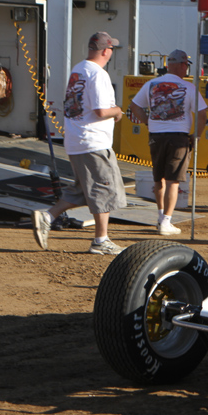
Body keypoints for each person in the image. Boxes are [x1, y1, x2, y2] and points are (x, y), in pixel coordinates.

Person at [31, 32, 127, 254]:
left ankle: (47, 217)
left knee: (82, 191)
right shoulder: (98, 74)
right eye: (111, 49)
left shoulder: (78, 69)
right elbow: (101, 110)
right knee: (104, 188)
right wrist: (118, 111)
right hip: (93, 141)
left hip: (76, 139)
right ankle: (101, 240)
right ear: (106, 51)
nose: (112, 53)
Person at [130, 49, 207, 235]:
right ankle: (166, 221)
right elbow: (203, 115)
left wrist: (148, 122)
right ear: (181, 65)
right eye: (185, 65)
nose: (186, 69)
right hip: (178, 137)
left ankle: (160, 217)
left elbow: (134, 106)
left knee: (159, 179)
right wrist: (196, 136)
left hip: (156, 136)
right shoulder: (189, 87)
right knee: (173, 180)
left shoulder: (151, 84)